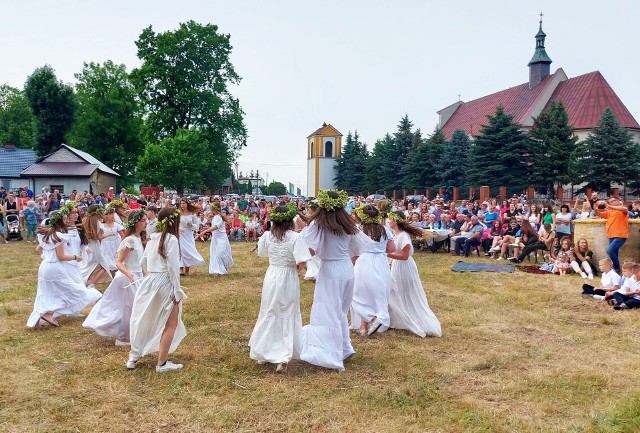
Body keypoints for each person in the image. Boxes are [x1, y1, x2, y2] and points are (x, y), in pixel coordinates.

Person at [300, 189, 364, 371]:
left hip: (330, 269)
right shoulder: (348, 224)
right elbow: (356, 249)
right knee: (340, 311)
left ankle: (330, 353)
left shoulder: (319, 224)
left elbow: (310, 249)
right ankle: (344, 347)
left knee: (327, 310)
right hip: (347, 269)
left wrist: (299, 260)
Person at [249, 203, 311, 373]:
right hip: (287, 277)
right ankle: (282, 355)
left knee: (270, 310)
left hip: (272, 275)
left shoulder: (268, 236)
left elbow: (263, 253)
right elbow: (302, 260)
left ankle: (265, 350)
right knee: (286, 311)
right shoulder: (295, 238)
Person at [127, 207, 187, 372]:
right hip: (165, 281)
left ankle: (133, 357)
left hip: (150, 280)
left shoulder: (153, 238)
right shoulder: (172, 240)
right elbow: (173, 268)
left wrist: (151, 275)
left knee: (143, 318)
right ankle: (162, 363)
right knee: (171, 324)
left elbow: (143, 263)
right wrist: (177, 291)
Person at [26, 210, 102, 328]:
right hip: (57, 267)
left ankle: (37, 320)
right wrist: (75, 257)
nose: (67, 220)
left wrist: (47, 257)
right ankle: (48, 313)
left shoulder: (49, 234)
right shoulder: (60, 236)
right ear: (61, 221)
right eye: (65, 218)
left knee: (45, 294)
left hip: (45, 266)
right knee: (74, 291)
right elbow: (61, 257)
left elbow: (41, 250)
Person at [83, 209, 147, 345]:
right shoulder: (129, 240)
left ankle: (128, 334)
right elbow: (118, 262)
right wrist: (129, 274)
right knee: (129, 307)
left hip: (137, 276)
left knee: (132, 307)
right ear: (135, 223)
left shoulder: (138, 239)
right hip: (127, 278)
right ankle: (123, 337)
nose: (146, 223)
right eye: (143, 220)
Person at [386, 210, 441, 338]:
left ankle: (416, 319)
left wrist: (386, 254)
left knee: (406, 291)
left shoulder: (404, 236)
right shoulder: (396, 234)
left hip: (404, 267)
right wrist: (389, 260)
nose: (388, 221)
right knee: (397, 291)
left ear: (395, 220)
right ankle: (400, 319)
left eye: (390, 219)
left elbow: (404, 256)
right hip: (396, 266)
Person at [350, 204, 395, 336]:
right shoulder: (385, 229)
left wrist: (353, 262)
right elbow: (391, 249)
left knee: (358, 294)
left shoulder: (358, 230)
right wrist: (380, 249)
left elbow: (353, 250)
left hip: (364, 261)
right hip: (381, 261)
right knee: (379, 293)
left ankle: (371, 320)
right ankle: (366, 325)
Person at [594, 196, 629, 274]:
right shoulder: (609, 212)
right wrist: (595, 208)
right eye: (610, 201)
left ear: (618, 201)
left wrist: (608, 205)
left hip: (620, 235)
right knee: (613, 253)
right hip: (611, 236)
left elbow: (625, 209)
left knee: (609, 251)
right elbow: (599, 214)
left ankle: (617, 268)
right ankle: (617, 272)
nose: (610, 202)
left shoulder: (622, 209)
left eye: (612, 201)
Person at [201, 201, 234, 276]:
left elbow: (216, 227)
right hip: (215, 238)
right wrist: (208, 228)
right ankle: (217, 270)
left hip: (221, 238)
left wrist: (206, 230)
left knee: (220, 254)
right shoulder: (215, 217)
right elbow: (214, 227)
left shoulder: (219, 217)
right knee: (215, 254)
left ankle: (222, 268)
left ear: (214, 209)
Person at [177, 198, 205, 276]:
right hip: (180, 233)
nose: (182, 205)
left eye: (184, 203)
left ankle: (187, 270)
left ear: (187, 204)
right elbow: (175, 223)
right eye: (181, 203)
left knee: (188, 251)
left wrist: (191, 225)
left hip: (188, 234)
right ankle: (180, 269)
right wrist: (178, 229)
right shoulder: (178, 213)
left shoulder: (192, 214)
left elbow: (197, 227)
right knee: (181, 250)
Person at [100, 208, 125, 276]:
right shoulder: (101, 226)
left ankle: (119, 277)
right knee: (109, 263)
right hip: (106, 246)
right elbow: (99, 236)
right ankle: (114, 278)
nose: (112, 215)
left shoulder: (116, 225)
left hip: (115, 245)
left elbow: (123, 236)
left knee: (117, 261)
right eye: (110, 214)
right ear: (106, 215)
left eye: (112, 214)